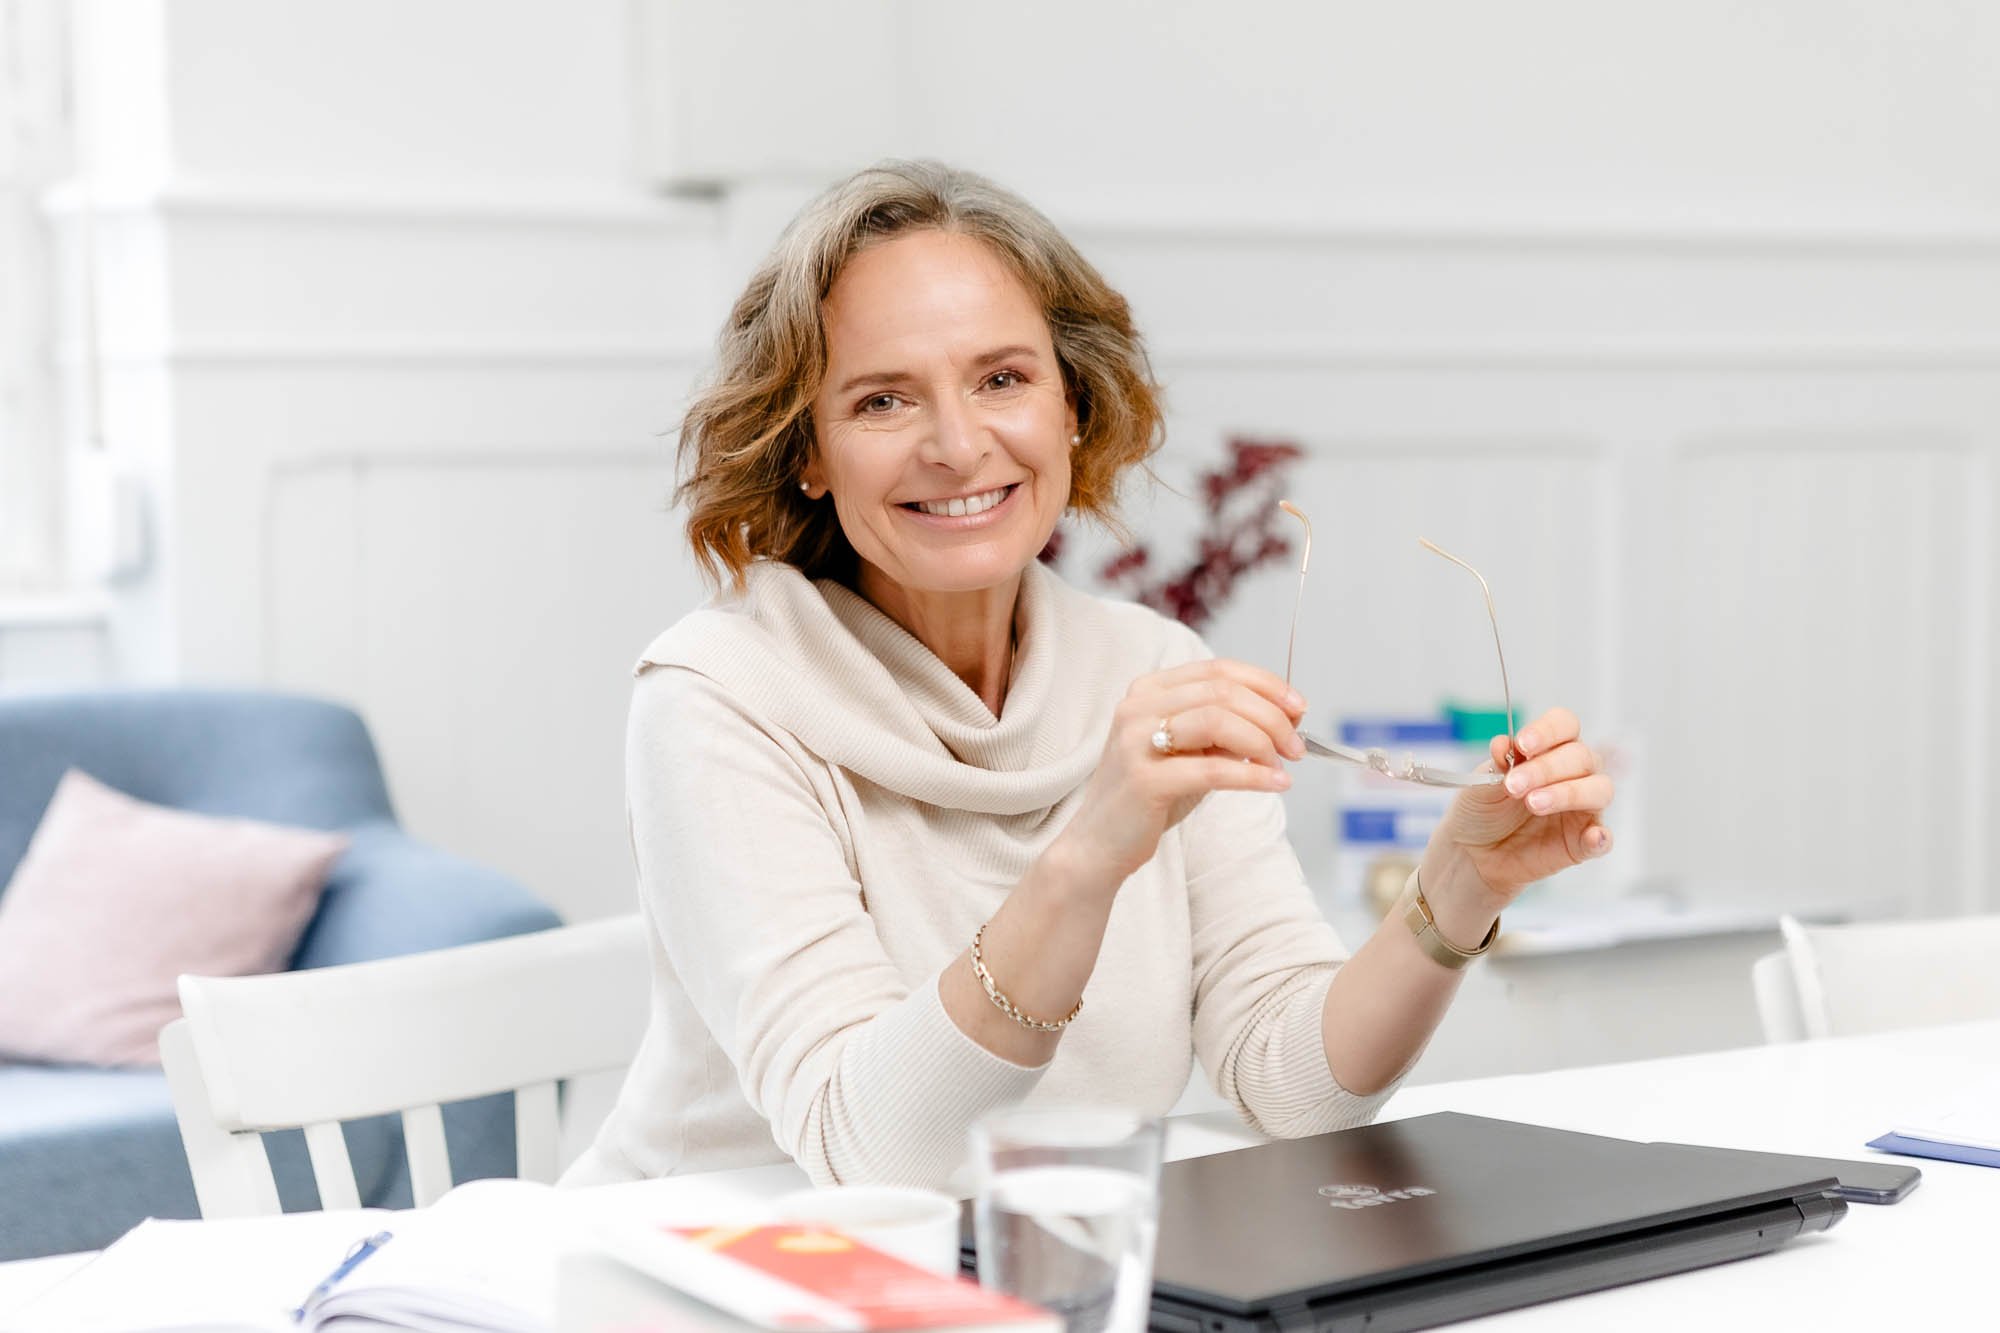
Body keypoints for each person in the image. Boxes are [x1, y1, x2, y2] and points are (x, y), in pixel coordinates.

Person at [563, 161, 1614, 1189]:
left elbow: (1290, 1083)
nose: (957, 443)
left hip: (1040, 1273)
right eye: (883, 401)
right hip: (706, 1279)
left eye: (1001, 379)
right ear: (808, 451)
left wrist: (1458, 887)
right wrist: (1086, 859)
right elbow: (869, 1154)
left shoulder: (1150, 666)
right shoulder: (717, 696)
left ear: (1071, 403)